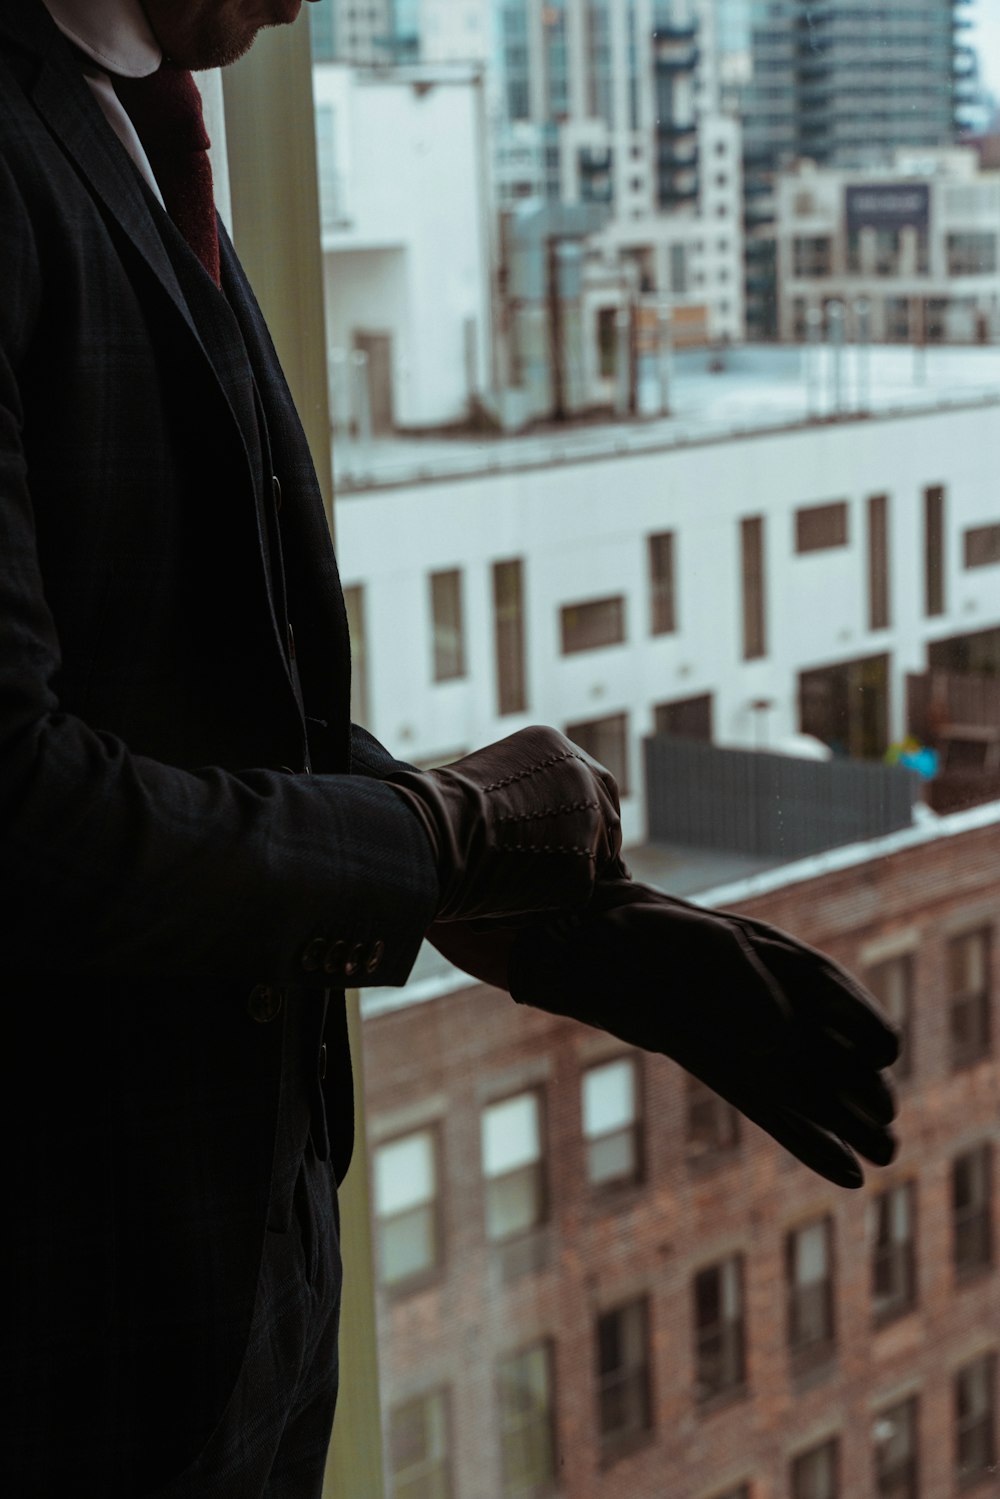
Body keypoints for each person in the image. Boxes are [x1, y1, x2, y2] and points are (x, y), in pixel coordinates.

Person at [0, 2, 898, 1494]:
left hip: (236, 1290)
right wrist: (449, 836)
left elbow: (194, 715)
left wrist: (562, 917)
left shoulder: (133, 115)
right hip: (66, 1335)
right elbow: (25, 811)